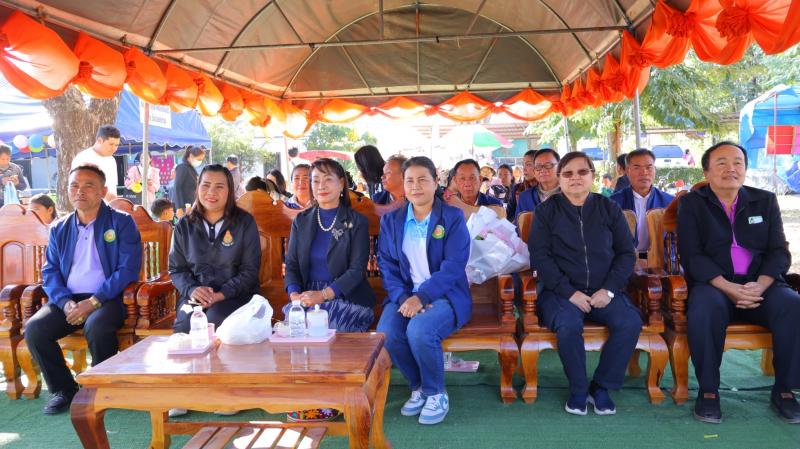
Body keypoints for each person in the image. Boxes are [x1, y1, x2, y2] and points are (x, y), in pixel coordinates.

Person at [677, 142, 800, 424]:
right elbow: (691, 254)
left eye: (737, 162)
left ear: (745, 169)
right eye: (721, 163)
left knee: (793, 306)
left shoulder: (764, 200)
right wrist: (727, 287)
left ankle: (784, 390)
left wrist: (762, 284)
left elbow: (779, 251)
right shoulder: (692, 204)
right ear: (706, 172)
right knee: (704, 308)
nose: (730, 168)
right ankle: (708, 391)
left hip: (760, 284)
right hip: (714, 284)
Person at [24, 165, 142, 414]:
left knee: (96, 326)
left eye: (88, 185)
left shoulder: (121, 222)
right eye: (74, 185)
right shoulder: (60, 227)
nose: (80, 191)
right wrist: (65, 302)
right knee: (35, 329)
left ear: (103, 191)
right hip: (69, 300)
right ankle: (64, 389)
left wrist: (95, 301)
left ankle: (100, 387)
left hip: (108, 298)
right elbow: (50, 271)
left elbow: (128, 269)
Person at [530, 151, 640, 416]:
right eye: (568, 173)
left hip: (604, 290)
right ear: (560, 178)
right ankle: (578, 389)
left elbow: (627, 254)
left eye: (582, 172)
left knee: (630, 322)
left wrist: (609, 289)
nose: (575, 178)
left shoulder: (608, 208)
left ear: (592, 175)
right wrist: (569, 293)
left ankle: (601, 386)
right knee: (568, 325)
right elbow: (540, 257)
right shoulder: (546, 211)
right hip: (560, 293)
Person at [377, 156, 471, 425]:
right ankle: (418, 387)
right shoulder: (391, 221)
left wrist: (422, 297)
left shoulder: (451, 217)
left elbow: (453, 267)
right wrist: (405, 298)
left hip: (444, 295)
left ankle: (436, 392)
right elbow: (388, 266)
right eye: (409, 181)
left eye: (422, 179)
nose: (415, 186)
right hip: (405, 296)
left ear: (435, 182)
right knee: (388, 332)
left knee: (420, 330)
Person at [284, 158, 375, 422]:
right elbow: (291, 265)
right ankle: (306, 394)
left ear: (341, 183)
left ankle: (331, 399)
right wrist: (294, 294)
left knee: (325, 321)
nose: (321, 186)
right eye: (315, 180)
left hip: (347, 297)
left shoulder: (354, 221)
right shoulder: (302, 220)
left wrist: (324, 296)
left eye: (328, 180)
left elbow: (356, 271)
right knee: (294, 322)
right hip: (307, 297)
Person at [611, 148, 674, 257]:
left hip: (660, 260)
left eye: (649, 167)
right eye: (637, 167)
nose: (644, 172)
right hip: (624, 261)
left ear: (655, 170)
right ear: (627, 171)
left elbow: (675, 240)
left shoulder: (669, 202)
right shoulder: (613, 203)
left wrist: (663, 259)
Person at [71, 125, 121, 202]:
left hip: (109, 207)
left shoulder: (111, 160)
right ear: (100, 140)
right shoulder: (83, 158)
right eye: (111, 144)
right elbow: (79, 188)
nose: (114, 148)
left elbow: (113, 189)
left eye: (116, 145)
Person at [516, 148, 561, 220]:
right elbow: (519, 224)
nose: (543, 170)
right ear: (534, 171)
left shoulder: (571, 194)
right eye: (538, 166)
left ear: (559, 167)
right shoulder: (524, 197)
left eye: (548, 165)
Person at [173, 145, 206, 218]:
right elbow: (177, 187)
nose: (200, 161)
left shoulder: (191, 169)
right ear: (191, 156)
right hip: (184, 206)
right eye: (199, 159)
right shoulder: (182, 167)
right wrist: (179, 207)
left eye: (201, 159)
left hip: (192, 205)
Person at [507, 150, 537, 221]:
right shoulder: (518, 189)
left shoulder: (545, 190)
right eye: (523, 165)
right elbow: (509, 214)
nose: (524, 169)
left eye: (528, 164)